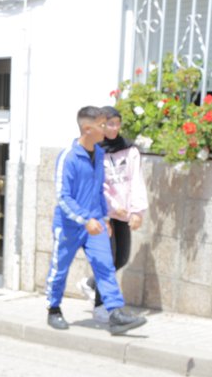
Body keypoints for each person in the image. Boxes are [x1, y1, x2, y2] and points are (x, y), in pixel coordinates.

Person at [44, 105, 147, 336]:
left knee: (105, 266)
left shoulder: (99, 154)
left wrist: (103, 218)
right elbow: (63, 196)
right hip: (70, 225)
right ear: (87, 128)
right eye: (102, 125)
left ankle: (115, 313)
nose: (107, 129)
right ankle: (53, 309)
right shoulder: (68, 157)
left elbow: (100, 190)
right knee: (60, 268)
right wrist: (84, 219)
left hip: (96, 223)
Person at [77, 105, 147, 324]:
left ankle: (91, 284)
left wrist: (137, 211)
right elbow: (97, 185)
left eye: (117, 123)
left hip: (123, 213)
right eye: (109, 123)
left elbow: (136, 180)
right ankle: (101, 306)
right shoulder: (95, 151)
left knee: (122, 257)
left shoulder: (130, 150)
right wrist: (111, 208)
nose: (114, 128)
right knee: (108, 260)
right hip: (103, 213)